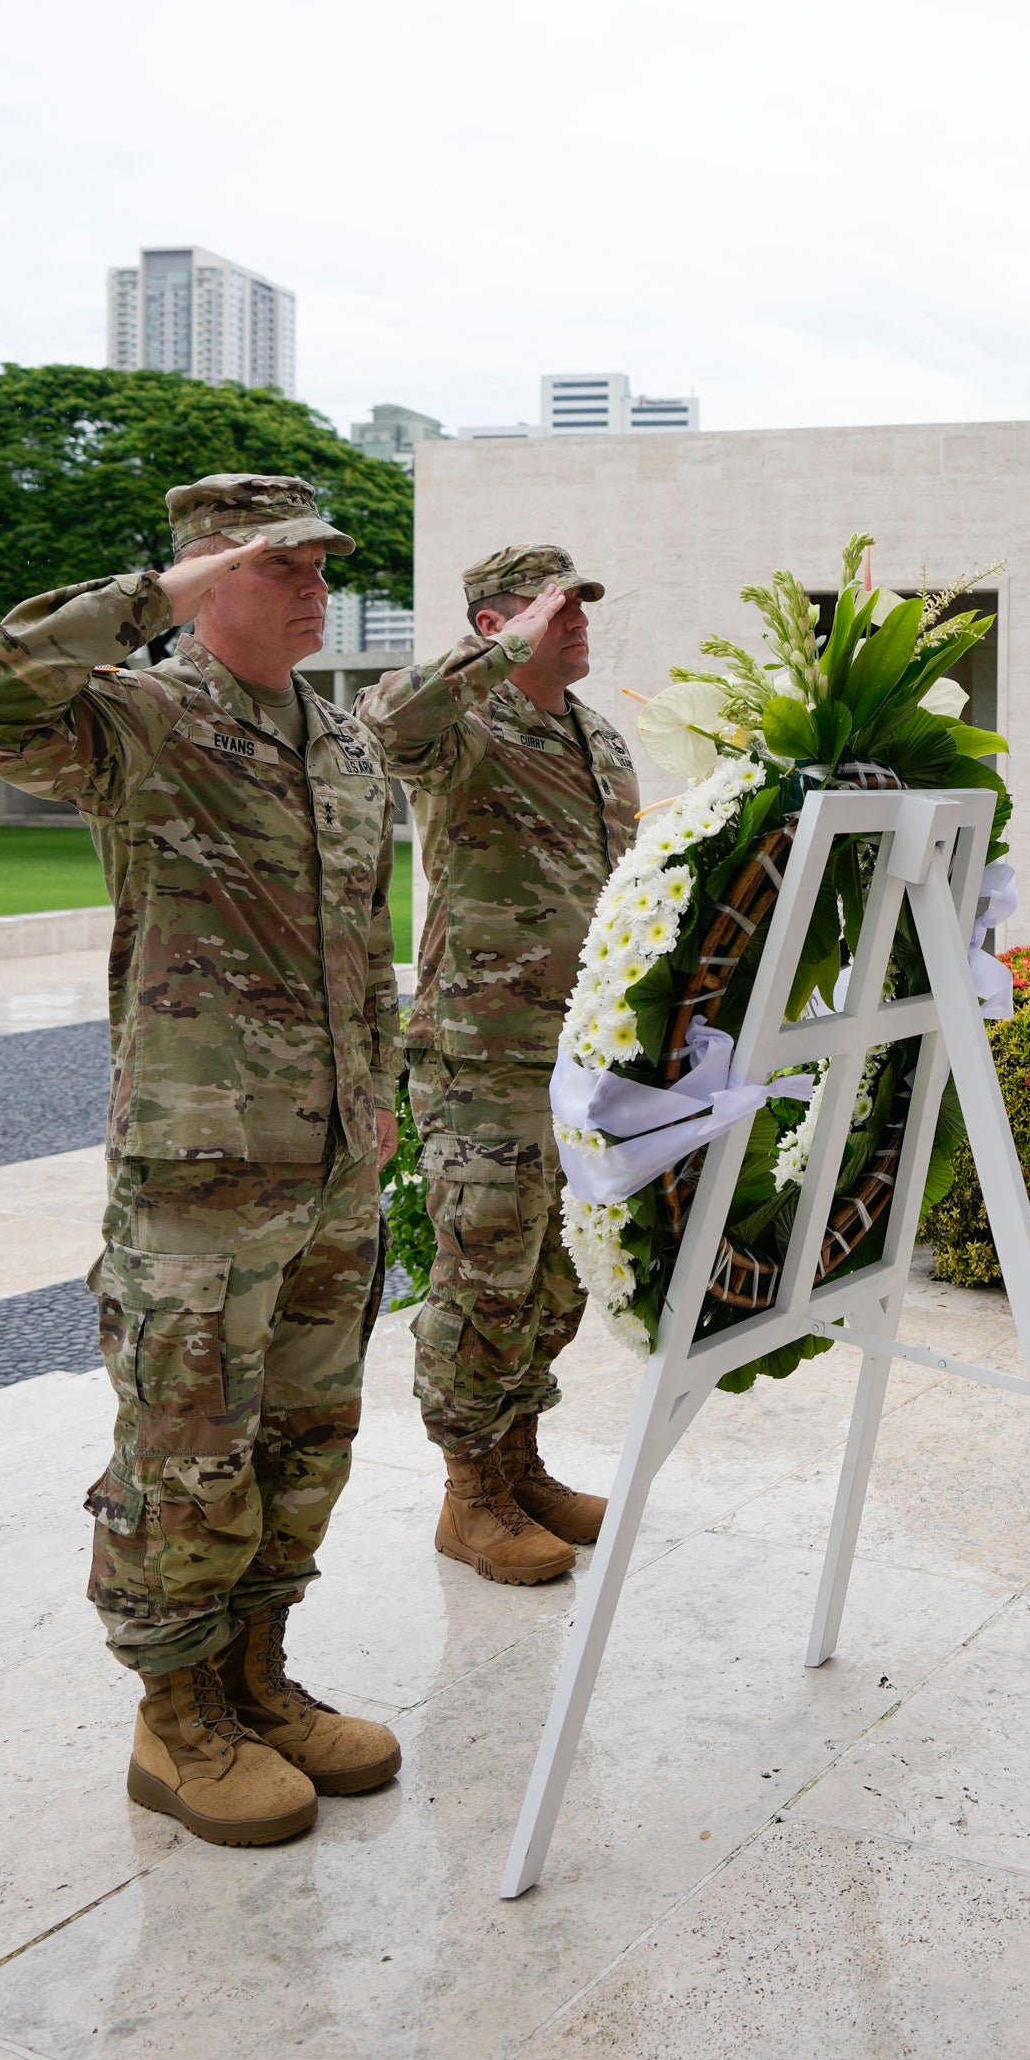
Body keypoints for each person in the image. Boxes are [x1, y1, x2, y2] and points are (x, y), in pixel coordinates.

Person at [0, 473, 406, 1850]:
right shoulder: (142, 720)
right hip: (199, 1168)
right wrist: (150, 602)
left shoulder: (346, 745)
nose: (318, 587)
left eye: (325, 565)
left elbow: (367, 942)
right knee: (186, 1446)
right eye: (285, 565)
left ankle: (258, 1677)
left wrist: (378, 1097)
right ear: (209, 577)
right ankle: (175, 1716)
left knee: (307, 1439)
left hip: (328, 1170)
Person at [360, 544, 639, 1584]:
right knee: (483, 1270)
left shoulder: (599, 734)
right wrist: (493, 656)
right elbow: (384, 722)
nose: (578, 621)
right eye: (554, 608)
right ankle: (466, 1493)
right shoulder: (461, 726)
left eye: (581, 603)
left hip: (582, 1051)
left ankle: (518, 1461)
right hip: (483, 1051)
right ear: (493, 626)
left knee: (560, 1271)